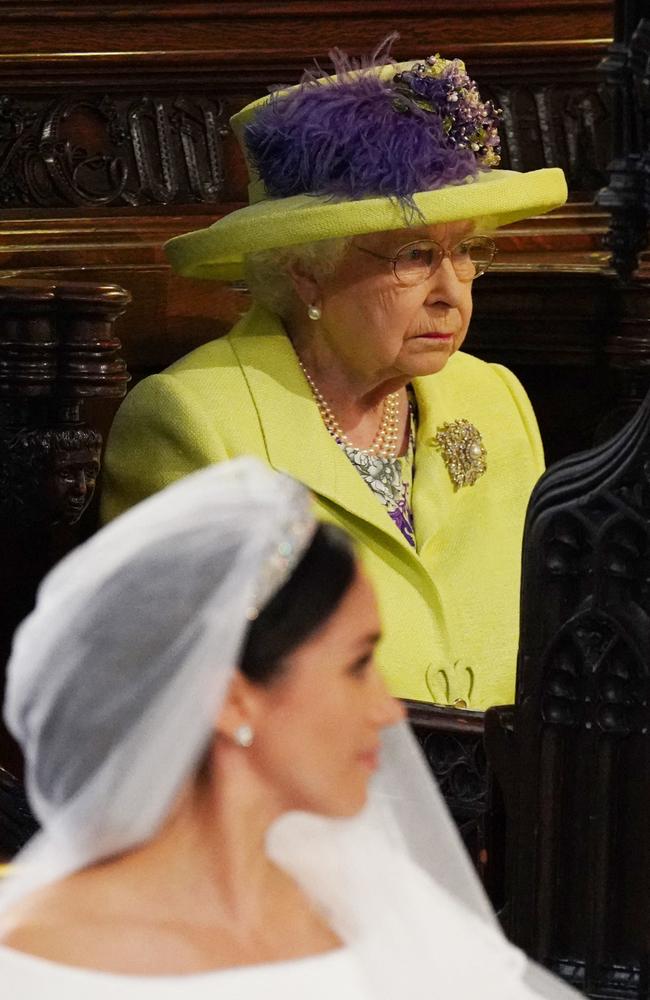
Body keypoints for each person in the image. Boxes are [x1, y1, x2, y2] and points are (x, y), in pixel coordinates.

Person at [0, 457, 575, 998]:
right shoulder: (34, 966)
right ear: (231, 701)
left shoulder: (372, 902)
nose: (389, 710)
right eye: (356, 666)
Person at [101, 46, 568, 710]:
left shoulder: (494, 399)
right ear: (306, 271)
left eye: (466, 251)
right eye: (414, 255)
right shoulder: (192, 422)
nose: (452, 292)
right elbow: (172, 700)